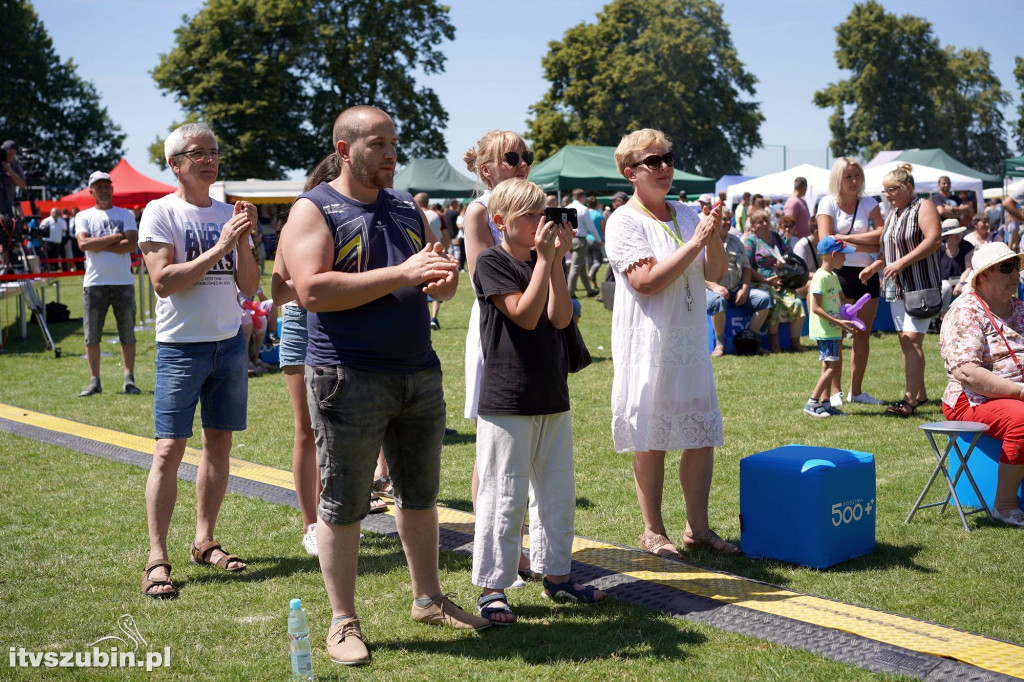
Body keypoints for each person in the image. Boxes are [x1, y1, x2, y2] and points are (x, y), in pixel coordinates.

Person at [280, 105, 486, 667]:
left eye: (394, 141)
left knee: (419, 497)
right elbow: (313, 290)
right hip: (346, 376)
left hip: (417, 371)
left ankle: (429, 599)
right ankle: (342, 621)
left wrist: (440, 283)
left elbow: (430, 283)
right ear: (345, 151)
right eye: (378, 143)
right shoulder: (314, 208)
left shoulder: (404, 208)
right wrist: (405, 274)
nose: (392, 153)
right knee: (344, 505)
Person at [471, 178, 606, 625]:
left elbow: (560, 317)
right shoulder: (492, 261)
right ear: (500, 222)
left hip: (551, 391)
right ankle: (493, 586)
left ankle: (558, 576)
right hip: (507, 398)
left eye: (542, 213)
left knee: (557, 491)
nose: (539, 222)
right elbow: (525, 317)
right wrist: (546, 260)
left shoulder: (542, 259)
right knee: (503, 495)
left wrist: (556, 264)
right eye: (529, 215)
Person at [137, 123, 260, 599]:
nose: (209, 159)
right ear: (175, 163)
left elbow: (249, 287)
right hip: (180, 347)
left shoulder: (230, 213)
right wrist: (222, 245)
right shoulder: (159, 212)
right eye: (198, 153)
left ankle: (204, 540)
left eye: (213, 151)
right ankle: (156, 557)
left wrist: (242, 241)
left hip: (228, 344)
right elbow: (164, 281)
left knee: (219, 446)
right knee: (168, 451)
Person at [604, 128, 737, 559]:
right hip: (649, 342)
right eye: (653, 162)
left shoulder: (683, 212)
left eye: (668, 158)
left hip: (689, 342)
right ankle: (652, 531)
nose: (664, 167)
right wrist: (695, 241)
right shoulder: (624, 220)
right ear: (631, 174)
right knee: (652, 436)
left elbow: (717, 270)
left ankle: (697, 529)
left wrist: (711, 234)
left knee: (699, 432)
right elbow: (644, 282)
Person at [462, 129, 538, 586]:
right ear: (486, 169)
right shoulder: (477, 212)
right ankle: (492, 542)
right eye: (512, 157)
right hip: (495, 325)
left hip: (531, 321)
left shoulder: (532, 207)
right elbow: (483, 277)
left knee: (525, 444)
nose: (522, 162)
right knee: (491, 445)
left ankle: (518, 545)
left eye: (526, 155)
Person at [939, 242, 1024, 526]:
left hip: (1013, 394)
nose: (1015, 274)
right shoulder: (965, 312)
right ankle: (1004, 504)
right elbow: (968, 374)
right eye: (1006, 267)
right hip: (972, 399)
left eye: (1017, 266)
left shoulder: (1019, 307)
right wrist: (1021, 392)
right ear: (983, 275)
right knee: (1022, 420)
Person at [816, 157, 885, 405]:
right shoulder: (827, 203)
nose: (854, 181)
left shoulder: (869, 202)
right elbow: (826, 243)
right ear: (838, 178)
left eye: (857, 175)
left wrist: (845, 238)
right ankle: (836, 393)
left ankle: (856, 392)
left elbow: (881, 237)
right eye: (848, 176)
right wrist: (864, 240)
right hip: (839, 275)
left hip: (867, 275)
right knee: (836, 336)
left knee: (862, 336)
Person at [874, 163, 941, 417]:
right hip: (897, 289)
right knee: (905, 343)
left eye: (892, 189)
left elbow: (933, 239)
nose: (888, 195)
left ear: (908, 187)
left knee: (913, 341)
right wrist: (875, 266)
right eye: (885, 191)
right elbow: (890, 250)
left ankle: (909, 400)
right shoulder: (894, 214)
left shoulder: (923, 206)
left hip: (920, 287)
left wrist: (901, 262)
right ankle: (920, 394)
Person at [75, 170, 141, 397]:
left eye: (107, 185)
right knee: (91, 335)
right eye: (98, 186)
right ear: (91, 191)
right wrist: (115, 237)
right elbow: (83, 245)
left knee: (127, 334)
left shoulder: (126, 214)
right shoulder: (83, 216)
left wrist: (97, 244)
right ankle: (95, 381)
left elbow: (131, 245)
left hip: (123, 282)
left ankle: (129, 379)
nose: (103, 189)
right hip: (94, 283)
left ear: (112, 189)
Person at [805, 236, 860, 418]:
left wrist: (851, 314)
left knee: (828, 365)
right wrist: (839, 323)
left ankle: (826, 403)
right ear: (834, 254)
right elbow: (816, 307)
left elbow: (842, 301)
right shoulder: (820, 277)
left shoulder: (832, 276)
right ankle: (812, 402)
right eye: (843, 255)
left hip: (833, 329)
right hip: (825, 331)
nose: (845, 259)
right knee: (833, 367)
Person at [705, 211, 771, 357]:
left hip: (736, 289)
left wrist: (745, 288)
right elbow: (697, 272)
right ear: (715, 221)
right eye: (724, 219)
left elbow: (747, 267)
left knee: (764, 299)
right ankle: (719, 344)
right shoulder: (705, 241)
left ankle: (750, 341)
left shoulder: (737, 241)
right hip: (712, 290)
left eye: (729, 219)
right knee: (717, 302)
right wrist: (715, 287)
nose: (728, 222)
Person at [745, 209, 806, 353]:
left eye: (766, 220)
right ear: (753, 226)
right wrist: (766, 280)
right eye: (760, 222)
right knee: (776, 301)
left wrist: (785, 262)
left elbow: (790, 256)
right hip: (761, 282)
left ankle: (795, 342)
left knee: (796, 302)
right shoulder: (751, 241)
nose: (765, 224)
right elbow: (747, 266)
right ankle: (774, 341)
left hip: (781, 281)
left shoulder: (778, 238)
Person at [415, 192, 445, 329]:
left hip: (418, 256)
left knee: (421, 290)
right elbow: (445, 234)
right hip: (436, 254)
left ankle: (423, 320)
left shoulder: (413, 212)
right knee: (436, 287)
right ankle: (434, 317)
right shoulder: (437, 216)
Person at [566, 188, 602, 297]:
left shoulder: (567, 208)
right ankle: (570, 292)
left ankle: (589, 290)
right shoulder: (583, 209)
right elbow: (591, 227)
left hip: (569, 239)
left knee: (581, 267)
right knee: (576, 266)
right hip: (580, 240)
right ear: (582, 197)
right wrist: (599, 240)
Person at [939, 219, 973, 315]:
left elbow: (968, 268)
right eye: (954, 234)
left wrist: (961, 283)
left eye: (959, 233)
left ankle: (964, 315)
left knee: (969, 288)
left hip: (962, 279)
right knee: (945, 288)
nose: (959, 236)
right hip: (944, 280)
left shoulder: (967, 246)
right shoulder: (939, 248)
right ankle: (943, 316)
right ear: (947, 236)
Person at [0, 140, 26, 218]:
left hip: (7, 208)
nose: (10, 157)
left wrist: (10, 171)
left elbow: (23, 185)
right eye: (8, 154)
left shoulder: (14, 165)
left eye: (13, 154)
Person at [587, 196, 605, 288]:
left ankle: (594, 284)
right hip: (596, 240)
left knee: (590, 262)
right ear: (597, 204)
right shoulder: (599, 215)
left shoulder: (585, 214)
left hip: (586, 239)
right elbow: (603, 229)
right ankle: (591, 274)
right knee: (598, 261)